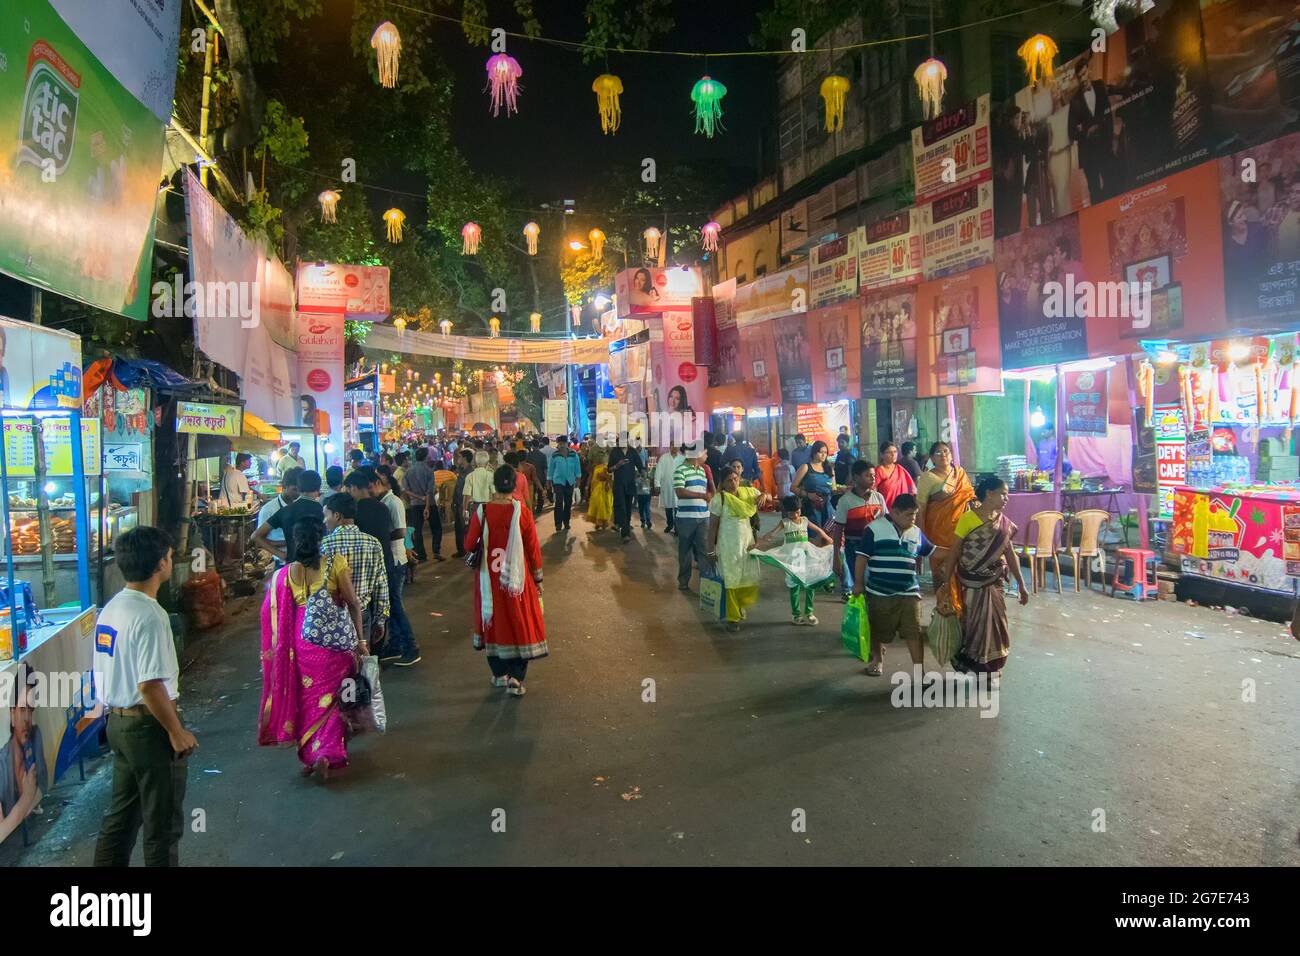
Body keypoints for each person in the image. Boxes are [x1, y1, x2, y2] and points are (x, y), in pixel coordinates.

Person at [92, 527, 196, 867]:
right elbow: (150, 685)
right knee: (162, 825)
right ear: (160, 565)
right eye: (168, 556)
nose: (170, 561)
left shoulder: (113, 608)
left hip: (118, 726)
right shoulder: (151, 616)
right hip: (147, 726)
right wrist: (175, 731)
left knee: (120, 819)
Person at [259, 516, 365, 781]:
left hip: (302, 643)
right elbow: (352, 602)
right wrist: (360, 640)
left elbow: (273, 614)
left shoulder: (286, 573)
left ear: (296, 540)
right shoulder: (335, 563)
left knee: (308, 700)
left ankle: (310, 753)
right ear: (321, 538)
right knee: (332, 700)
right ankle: (326, 753)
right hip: (334, 644)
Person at [464, 465, 548, 696]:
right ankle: (516, 679)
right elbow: (532, 549)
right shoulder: (522, 512)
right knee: (519, 622)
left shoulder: (482, 511)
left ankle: (499, 674)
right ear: (514, 485)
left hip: (488, 581)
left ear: (494, 485)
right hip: (517, 580)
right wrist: (538, 578)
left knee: (493, 623)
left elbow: (469, 545)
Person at [942, 477, 1028, 686]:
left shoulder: (1003, 523)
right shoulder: (968, 519)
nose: (1006, 498)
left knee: (997, 626)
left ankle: (992, 671)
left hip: (994, 582)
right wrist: (946, 583)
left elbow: (1010, 554)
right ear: (989, 494)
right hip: (971, 581)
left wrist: (1022, 585)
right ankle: (977, 666)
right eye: (1003, 493)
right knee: (974, 625)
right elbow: (955, 551)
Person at [853, 494, 935, 677]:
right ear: (895, 512)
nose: (913, 519)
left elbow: (933, 552)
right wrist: (858, 583)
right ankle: (878, 659)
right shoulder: (874, 529)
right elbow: (861, 557)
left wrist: (957, 552)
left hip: (909, 591)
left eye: (914, 514)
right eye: (909, 515)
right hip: (879, 592)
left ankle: (920, 672)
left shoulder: (916, 532)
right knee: (878, 629)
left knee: (914, 631)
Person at [322, 492, 389, 651]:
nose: (325, 521)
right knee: (359, 663)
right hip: (363, 615)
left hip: (333, 616)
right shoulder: (373, 543)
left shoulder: (325, 545)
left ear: (337, 515)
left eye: (326, 516)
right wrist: (381, 620)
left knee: (336, 667)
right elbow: (381, 584)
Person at [756, 495, 833, 626]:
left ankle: (809, 612)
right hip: (792, 558)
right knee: (794, 586)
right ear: (786, 512)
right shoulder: (785, 522)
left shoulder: (804, 520)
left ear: (800, 509)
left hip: (807, 555)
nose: (796, 515)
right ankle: (796, 614)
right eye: (792, 513)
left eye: (798, 512)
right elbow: (771, 534)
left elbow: (818, 529)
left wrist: (827, 538)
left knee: (810, 583)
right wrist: (758, 544)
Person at [706, 467, 767, 632]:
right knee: (731, 580)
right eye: (729, 480)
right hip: (728, 545)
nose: (733, 483)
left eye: (735, 478)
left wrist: (763, 495)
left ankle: (740, 605)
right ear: (723, 484)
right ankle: (732, 618)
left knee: (748, 577)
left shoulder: (747, 492)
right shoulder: (720, 499)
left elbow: (764, 494)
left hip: (746, 543)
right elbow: (712, 527)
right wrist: (710, 550)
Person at [916, 440, 976, 589]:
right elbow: (921, 507)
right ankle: (942, 598)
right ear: (932, 458)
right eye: (938, 452)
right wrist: (920, 534)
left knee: (961, 562)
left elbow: (969, 495)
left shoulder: (959, 472)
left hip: (960, 527)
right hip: (938, 528)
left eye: (946, 451)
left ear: (951, 455)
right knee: (940, 568)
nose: (943, 454)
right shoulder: (927, 477)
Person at [0, 664, 48, 846]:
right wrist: (28, 798)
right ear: (12, 714)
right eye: (21, 710)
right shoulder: (2, 765)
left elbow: (42, 784)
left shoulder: (35, 736)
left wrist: (17, 813)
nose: (27, 718)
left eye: (30, 709)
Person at [833, 460, 887, 597]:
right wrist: (837, 557)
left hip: (877, 547)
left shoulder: (878, 497)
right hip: (854, 548)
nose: (873, 478)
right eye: (868, 475)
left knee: (876, 583)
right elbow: (838, 531)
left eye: (873, 475)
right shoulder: (845, 501)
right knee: (862, 583)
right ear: (856, 477)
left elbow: (886, 523)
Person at [1067, 55, 1115, 206]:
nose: (1082, 79)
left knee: (1111, 184)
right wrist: (1086, 131)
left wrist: (1112, 139)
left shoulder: (1100, 86)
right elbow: (1071, 131)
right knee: (1094, 192)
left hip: (1105, 146)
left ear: (1090, 71)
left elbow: (1108, 114)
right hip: (1088, 153)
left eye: (1084, 74)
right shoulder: (1074, 101)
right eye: (1079, 76)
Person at [253, 469, 324, 565]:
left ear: (300, 487)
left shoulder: (285, 510)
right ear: (318, 489)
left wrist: (282, 554)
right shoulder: (322, 510)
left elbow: (255, 536)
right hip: (316, 564)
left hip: (291, 564)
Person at [673, 442, 713, 590]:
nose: (707, 455)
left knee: (704, 550)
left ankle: (707, 583)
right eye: (705, 453)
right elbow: (680, 492)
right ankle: (683, 581)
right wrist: (702, 495)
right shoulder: (680, 470)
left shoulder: (702, 471)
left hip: (703, 517)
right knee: (685, 551)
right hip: (685, 518)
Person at [403, 447, 443, 563]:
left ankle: (421, 555)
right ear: (426, 457)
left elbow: (406, 490)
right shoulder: (429, 470)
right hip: (429, 504)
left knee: (417, 530)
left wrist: (417, 498)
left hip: (415, 504)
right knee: (436, 528)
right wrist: (426, 506)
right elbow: (429, 491)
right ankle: (436, 551)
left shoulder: (408, 471)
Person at [792, 440, 836, 533]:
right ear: (814, 452)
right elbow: (793, 487)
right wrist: (808, 494)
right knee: (814, 537)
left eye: (825, 452)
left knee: (829, 537)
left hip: (828, 508)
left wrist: (844, 490)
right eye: (821, 452)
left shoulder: (829, 469)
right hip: (811, 509)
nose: (824, 455)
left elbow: (833, 489)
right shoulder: (806, 467)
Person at [548, 436, 581, 532]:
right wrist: (548, 481)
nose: (562, 445)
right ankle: (558, 523)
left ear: (567, 444)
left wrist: (578, 479)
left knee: (568, 502)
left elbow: (577, 468)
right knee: (558, 501)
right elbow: (551, 469)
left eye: (564, 443)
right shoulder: (555, 455)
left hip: (570, 481)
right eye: (560, 443)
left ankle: (566, 521)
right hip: (558, 481)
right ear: (558, 444)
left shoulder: (573, 454)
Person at [874, 441, 918, 509]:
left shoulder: (899, 468)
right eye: (889, 452)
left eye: (895, 452)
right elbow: (873, 491)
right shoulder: (879, 471)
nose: (893, 454)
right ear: (882, 455)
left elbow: (911, 487)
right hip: (886, 509)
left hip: (902, 508)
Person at [654, 443, 683, 535]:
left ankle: (677, 527)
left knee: (678, 508)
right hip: (667, 486)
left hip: (679, 487)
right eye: (673, 445)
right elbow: (658, 470)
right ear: (670, 446)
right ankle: (670, 525)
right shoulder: (664, 457)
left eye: (676, 445)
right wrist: (657, 484)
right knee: (668, 507)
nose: (674, 447)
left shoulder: (682, 459)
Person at [586, 443, 615, 531]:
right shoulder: (593, 449)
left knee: (606, 500)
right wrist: (587, 486)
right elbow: (589, 466)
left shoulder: (609, 448)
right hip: (596, 477)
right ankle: (598, 521)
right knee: (596, 500)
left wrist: (608, 481)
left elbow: (611, 469)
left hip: (606, 475)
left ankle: (605, 520)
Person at [452, 448, 475, 555]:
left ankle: (470, 551)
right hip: (458, 502)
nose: (457, 459)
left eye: (460, 457)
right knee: (458, 527)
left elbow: (468, 492)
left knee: (467, 528)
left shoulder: (470, 472)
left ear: (465, 458)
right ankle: (461, 550)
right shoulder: (460, 470)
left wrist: (464, 506)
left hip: (465, 504)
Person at [526, 440, 550, 509]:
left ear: (532, 446)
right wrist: (546, 478)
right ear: (538, 445)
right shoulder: (543, 455)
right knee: (540, 493)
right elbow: (545, 468)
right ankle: (539, 507)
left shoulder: (528, 455)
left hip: (531, 477)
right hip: (541, 476)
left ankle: (532, 507)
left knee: (532, 493)